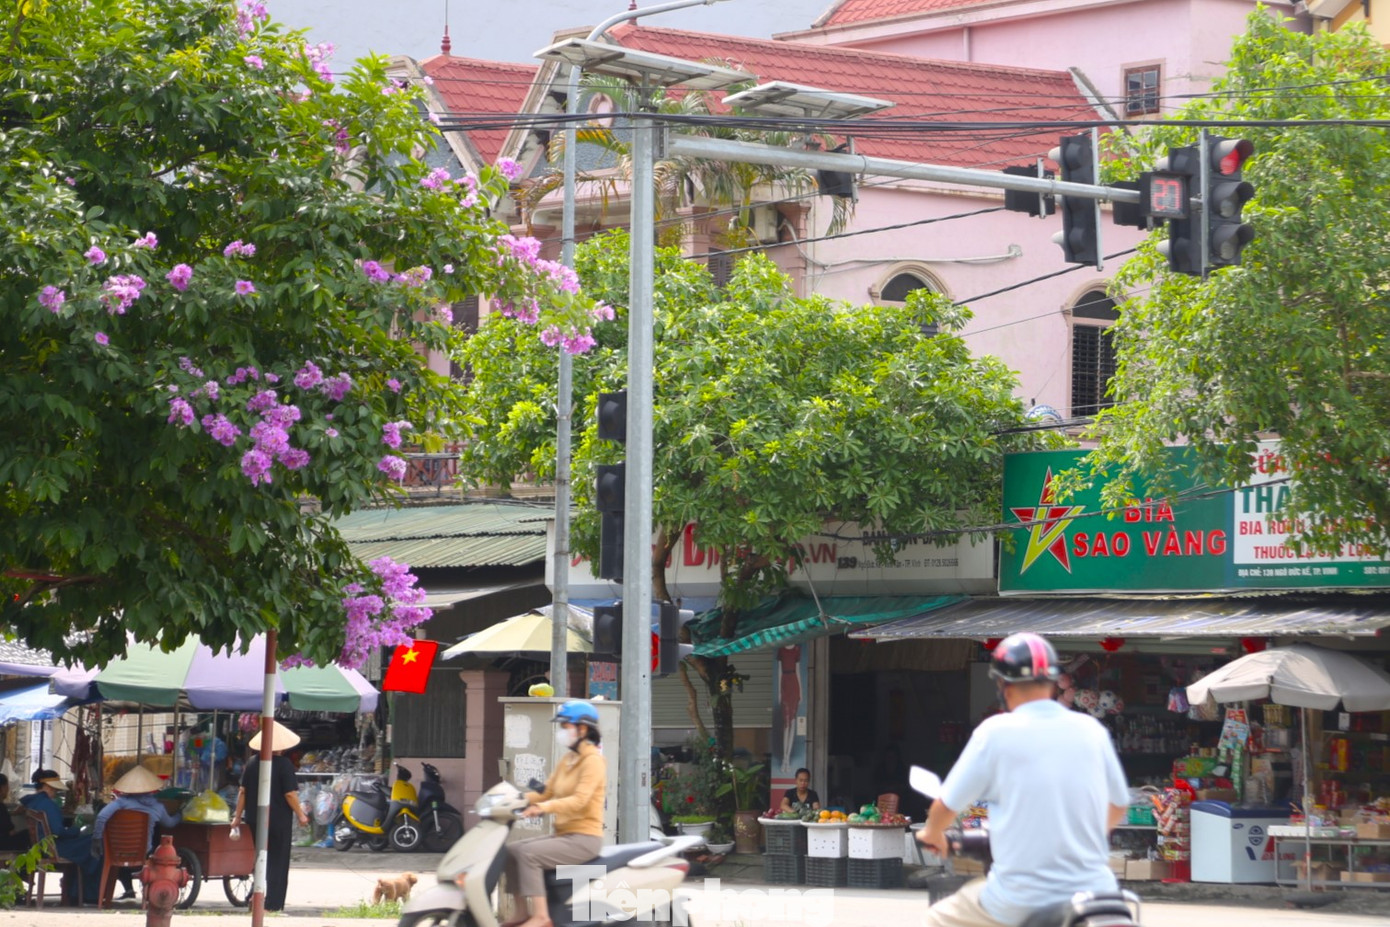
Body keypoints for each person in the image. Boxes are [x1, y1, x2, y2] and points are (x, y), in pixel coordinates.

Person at [915, 633, 1129, 927]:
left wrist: (932, 834)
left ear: (1003, 685)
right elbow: (1118, 804)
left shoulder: (994, 733)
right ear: (1054, 681)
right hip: (1097, 892)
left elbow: (946, 805)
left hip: (1019, 899)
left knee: (939, 916)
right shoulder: (1092, 730)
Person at [504, 699, 606, 927]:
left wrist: (543, 808)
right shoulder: (568, 759)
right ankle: (521, 912)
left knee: (529, 854)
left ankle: (541, 916)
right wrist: (513, 800)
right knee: (510, 851)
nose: (562, 731)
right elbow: (547, 792)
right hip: (564, 835)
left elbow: (579, 801)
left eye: (565, 726)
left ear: (583, 728)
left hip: (585, 839)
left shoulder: (593, 761)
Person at [229, 721, 310, 913]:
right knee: (277, 861)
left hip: (255, 820)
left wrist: (237, 817)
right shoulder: (284, 765)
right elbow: (290, 794)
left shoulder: (252, 763)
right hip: (278, 822)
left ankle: (254, 898)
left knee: (260, 859)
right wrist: (301, 815)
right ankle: (272, 905)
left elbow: (243, 792)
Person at [93, 765, 182, 901]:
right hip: (143, 852)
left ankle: (122, 891)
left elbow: (101, 817)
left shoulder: (120, 803)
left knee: (105, 857)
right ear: (152, 789)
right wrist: (180, 815)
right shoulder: (157, 807)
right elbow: (169, 824)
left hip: (116, 851)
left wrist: (97, 838)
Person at [19, 769, 99, 904]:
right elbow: (58, 831)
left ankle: (73, 892)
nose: (55, 792)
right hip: (55, 847)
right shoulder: (48, 805)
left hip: (41, 847)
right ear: (47, 787)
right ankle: (86, 894)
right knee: (94, 844)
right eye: (54, 789)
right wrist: (76, 830)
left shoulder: (31, 802)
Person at [0, 774, 31, 851]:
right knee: (27, 834)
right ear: (2, 788)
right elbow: (11, 831)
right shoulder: (1, 807)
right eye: (7, 786)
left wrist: (13, 813)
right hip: (3, 845)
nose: (8, 789)